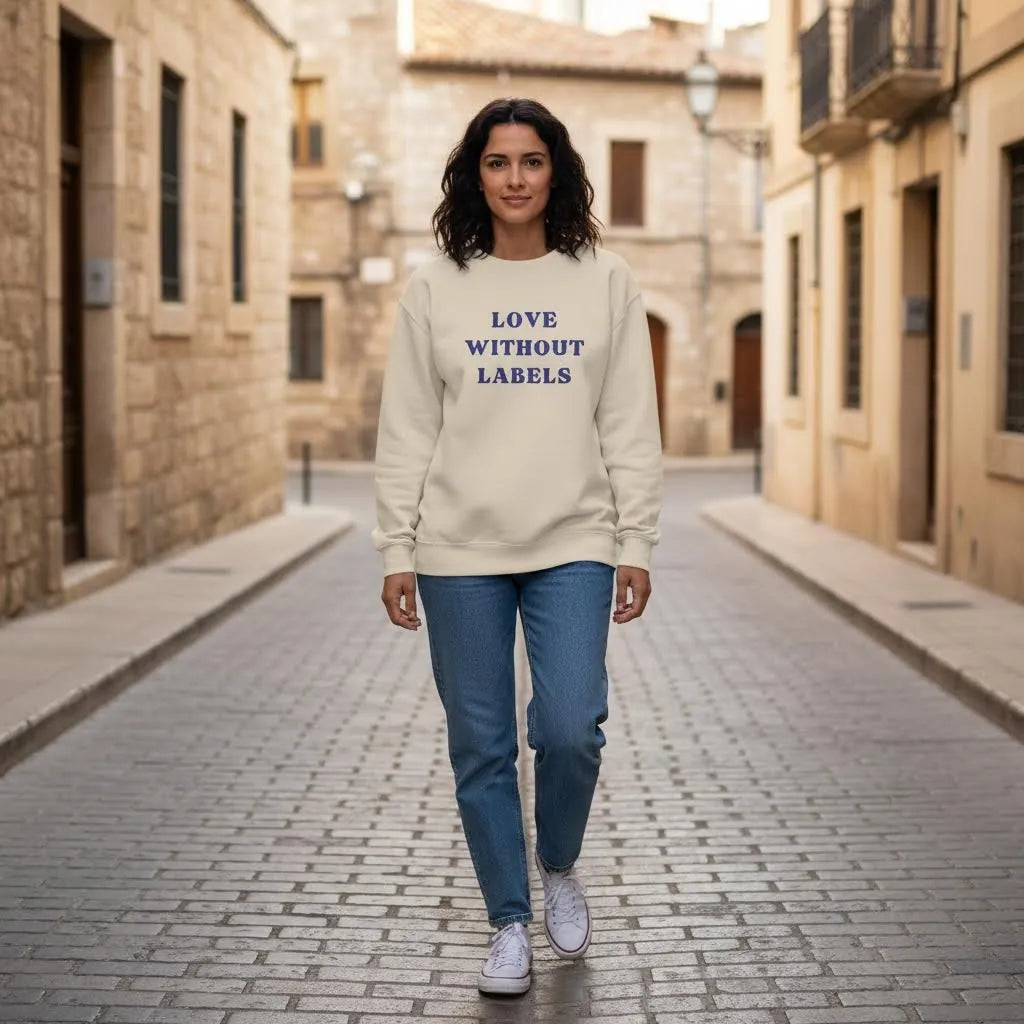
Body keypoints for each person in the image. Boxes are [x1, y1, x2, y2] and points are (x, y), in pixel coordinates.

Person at [371, 97, 663, 996]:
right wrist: (396, 546)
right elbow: (407, 427)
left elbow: (629, 420)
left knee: (571, 726)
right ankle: (506, 922)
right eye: (498, 163)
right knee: (482, 745)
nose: (515, 179)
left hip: (573, 536)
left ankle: (560, 864)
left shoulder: (604, 280)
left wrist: (635, 537)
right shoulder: (437, 286)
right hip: (458, 550)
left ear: (557, 172)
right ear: (475, 175)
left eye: (531, 161)